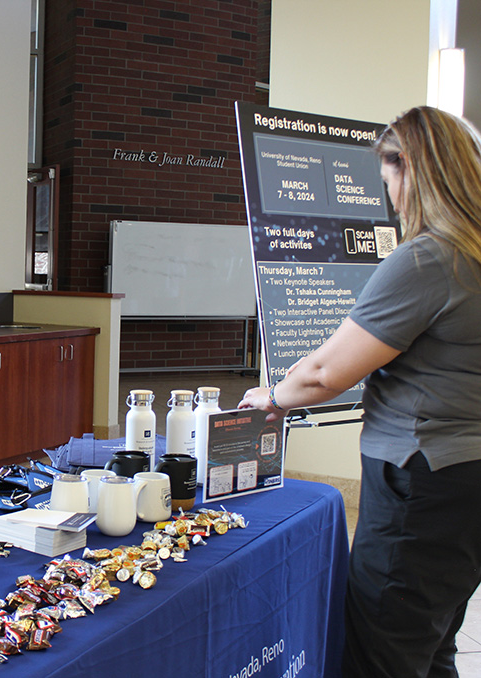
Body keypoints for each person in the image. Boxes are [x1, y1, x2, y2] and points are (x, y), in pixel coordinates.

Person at [238, 105, 481, 678]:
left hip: (424, 478)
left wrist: (272, 396)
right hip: (469, 479)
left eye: (389, 177)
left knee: (382, 645)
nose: (389, 195)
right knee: (433, 638)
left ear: (412, 172)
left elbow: (327, 373)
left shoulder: (430, 257)